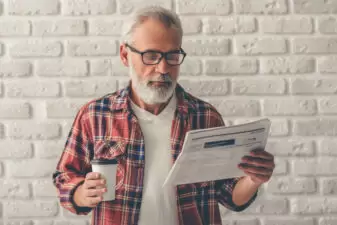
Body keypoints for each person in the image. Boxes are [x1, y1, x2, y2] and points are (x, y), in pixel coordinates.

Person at [53, 6, 275, 225]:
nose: (163, 68)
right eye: (151, 55)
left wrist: (253, 180)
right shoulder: (95, 115)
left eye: (172, 56)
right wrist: (82, 193)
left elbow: (229, 196)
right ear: (124, 55)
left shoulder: (205, 117)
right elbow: (65, 179)